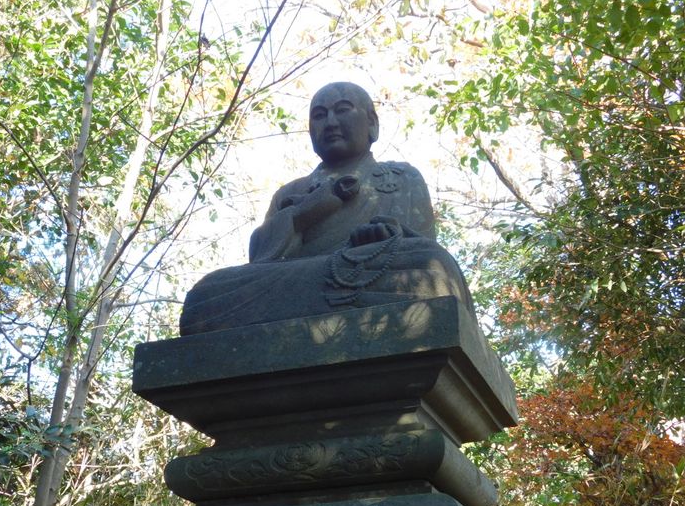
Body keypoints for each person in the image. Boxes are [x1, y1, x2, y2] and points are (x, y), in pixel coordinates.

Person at [179, 82, 475, 336]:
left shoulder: (401, 177)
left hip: (369, 269)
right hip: (300, 279)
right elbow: (261, 258)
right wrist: (304, 212)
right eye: (319, 115)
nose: (330, 122)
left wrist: (384, 236)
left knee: (433, 266)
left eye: (342, 110)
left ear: (372, 124)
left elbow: (420, 243)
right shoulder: (292, 192)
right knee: (206, 295)